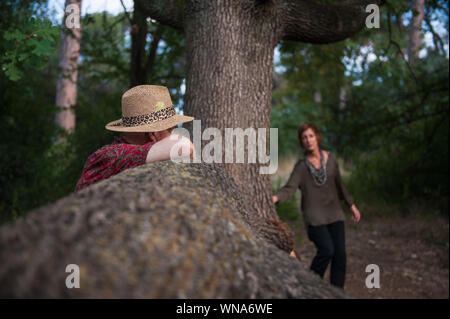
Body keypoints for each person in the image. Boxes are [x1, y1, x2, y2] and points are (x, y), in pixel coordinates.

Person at [272, 123, 361, 288]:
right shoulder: (301, 167)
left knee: (340, 255)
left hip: (335, 214)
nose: (308, 140)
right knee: (327, 250)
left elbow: (340, 186)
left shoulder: (331, 159)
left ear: (317, 137)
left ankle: (337, 292)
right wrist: (275, 198)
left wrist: (351, 205)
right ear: (301, 142)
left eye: (311, 136)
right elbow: (290, 188)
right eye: (304, 137)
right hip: (314, 217)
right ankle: (308, 286)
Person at [75, 85, 194, 192]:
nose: (176, 133)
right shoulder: (111, 155)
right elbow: (183, 145)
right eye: (172, 129)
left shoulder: (126, 154)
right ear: (154, 134)